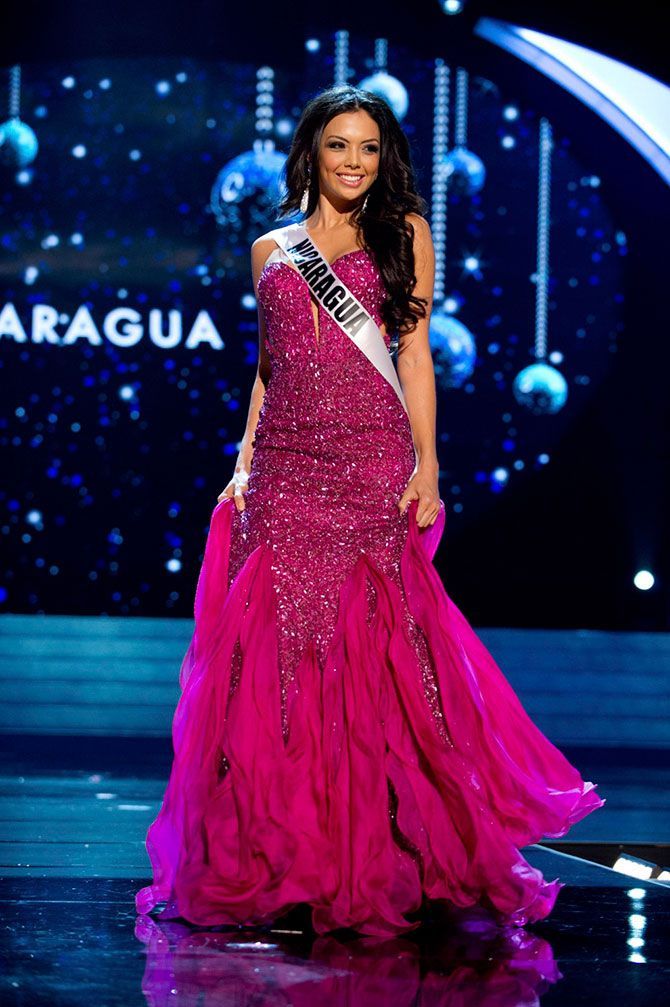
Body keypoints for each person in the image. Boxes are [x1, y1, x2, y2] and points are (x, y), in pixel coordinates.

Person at [135, 84, 604, 937]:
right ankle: (282, 856)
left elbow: (416, 353)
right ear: (311, 150)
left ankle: (387, 854)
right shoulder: (270, 247)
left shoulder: (406, 235)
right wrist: (242, 462)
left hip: (370, 462)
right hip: (282, 468)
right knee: (274, 661)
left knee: (377, 655)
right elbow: (269, 367)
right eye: (339, 145)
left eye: (370, 148)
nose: (355, 162)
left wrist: (427, 464)